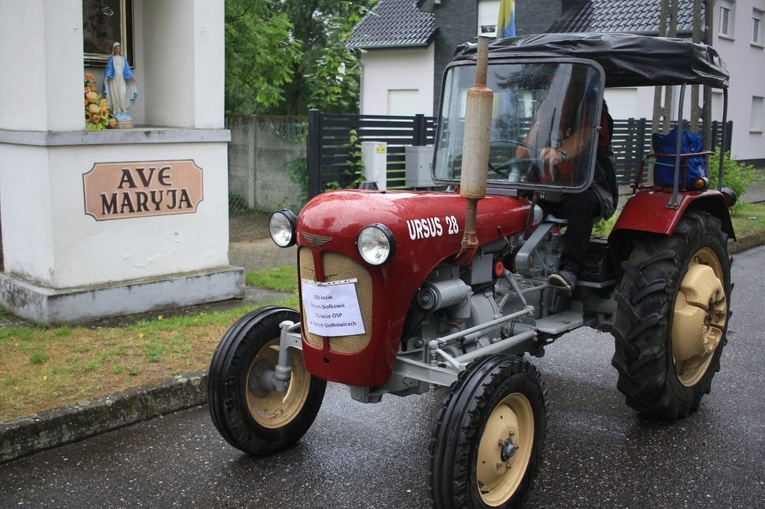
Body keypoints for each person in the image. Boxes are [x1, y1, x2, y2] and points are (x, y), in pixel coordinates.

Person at [517, 83, 618, 295]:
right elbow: (521, 154)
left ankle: (569, 270)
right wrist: (540, 120)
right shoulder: (549, 113)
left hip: (589, 187)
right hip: (545, 188)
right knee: (513, 199)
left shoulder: (593, 108)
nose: (555, 88)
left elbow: (585, 136)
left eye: (560, 84)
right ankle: (508, 259)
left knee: (580, 201)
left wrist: (561, 154)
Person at [103, 42, 138, 123]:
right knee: (115, 94)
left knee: (122, 93)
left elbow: (127, 69)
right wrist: (107, 77)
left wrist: (131, 77)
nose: (118, 49)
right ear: (114, 49)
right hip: (114, 78)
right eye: (116, 48)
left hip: (121, 78)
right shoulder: (111, 59)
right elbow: (108, 69)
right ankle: (117, 110)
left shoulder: (123, 59)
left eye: (119, 48)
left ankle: (123, 109)